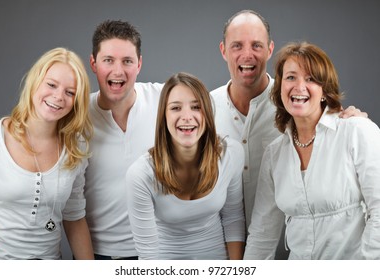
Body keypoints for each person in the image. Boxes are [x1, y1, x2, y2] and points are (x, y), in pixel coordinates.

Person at [211, 9, 368, 259]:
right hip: (213, 245)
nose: (299, 87)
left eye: (256, 45)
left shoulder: (351, 129)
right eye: (237, 45)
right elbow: (263, 234)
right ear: (223, 50)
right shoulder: (205, 111)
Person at [244, 41, 380, 259]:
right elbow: (263, 234)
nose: (299, 87)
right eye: (290, 77)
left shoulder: (357, 132)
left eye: (310, 79)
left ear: (325, 90)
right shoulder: (274, 154)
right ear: (280, 89)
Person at [126, 72, 245, 259]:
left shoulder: (231, 154)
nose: (187, 116)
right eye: (176, 108)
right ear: (163, 117)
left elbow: (233, 219)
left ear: (207, 112)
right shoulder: (141, 174)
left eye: (196, 107)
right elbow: (148, 252)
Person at [0, 47, 94, 259]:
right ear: (35, 82)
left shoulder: (76, 147)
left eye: (70, 92)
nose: (58, 97)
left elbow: (74, 217)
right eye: (51, 85)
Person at [84, 20, 164, 259]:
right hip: (96, 254)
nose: (118, 71)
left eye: (127, 61)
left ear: (139, 64)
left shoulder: (165, 100)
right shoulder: (75, 116)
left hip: (160, 253)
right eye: (108, 60)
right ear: (94, 64)